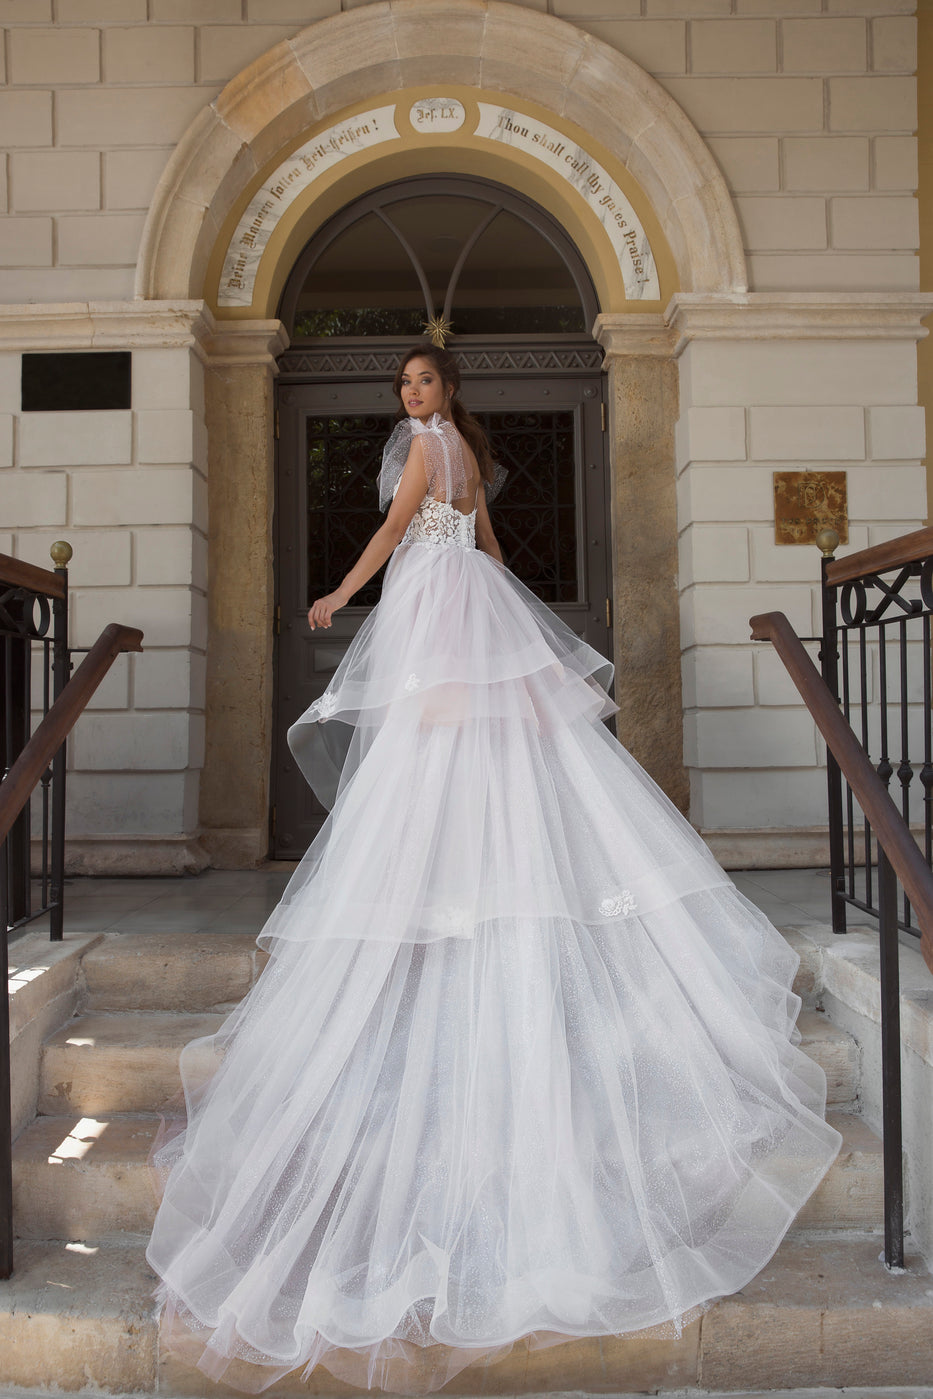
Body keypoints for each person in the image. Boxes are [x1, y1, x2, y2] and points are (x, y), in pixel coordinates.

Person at [146, 342, 842, 1395]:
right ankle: (465, 876)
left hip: (437, 600)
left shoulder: (431, 448)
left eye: (424, 384)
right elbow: (487, 539)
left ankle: (445, 886)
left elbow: (397, 529)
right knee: (472, 750)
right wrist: (513, 611)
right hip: (464, 597)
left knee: (434, 748)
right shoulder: (464, 448)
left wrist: (339, 592)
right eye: (406, 387)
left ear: (445, 392)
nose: (414, 398)